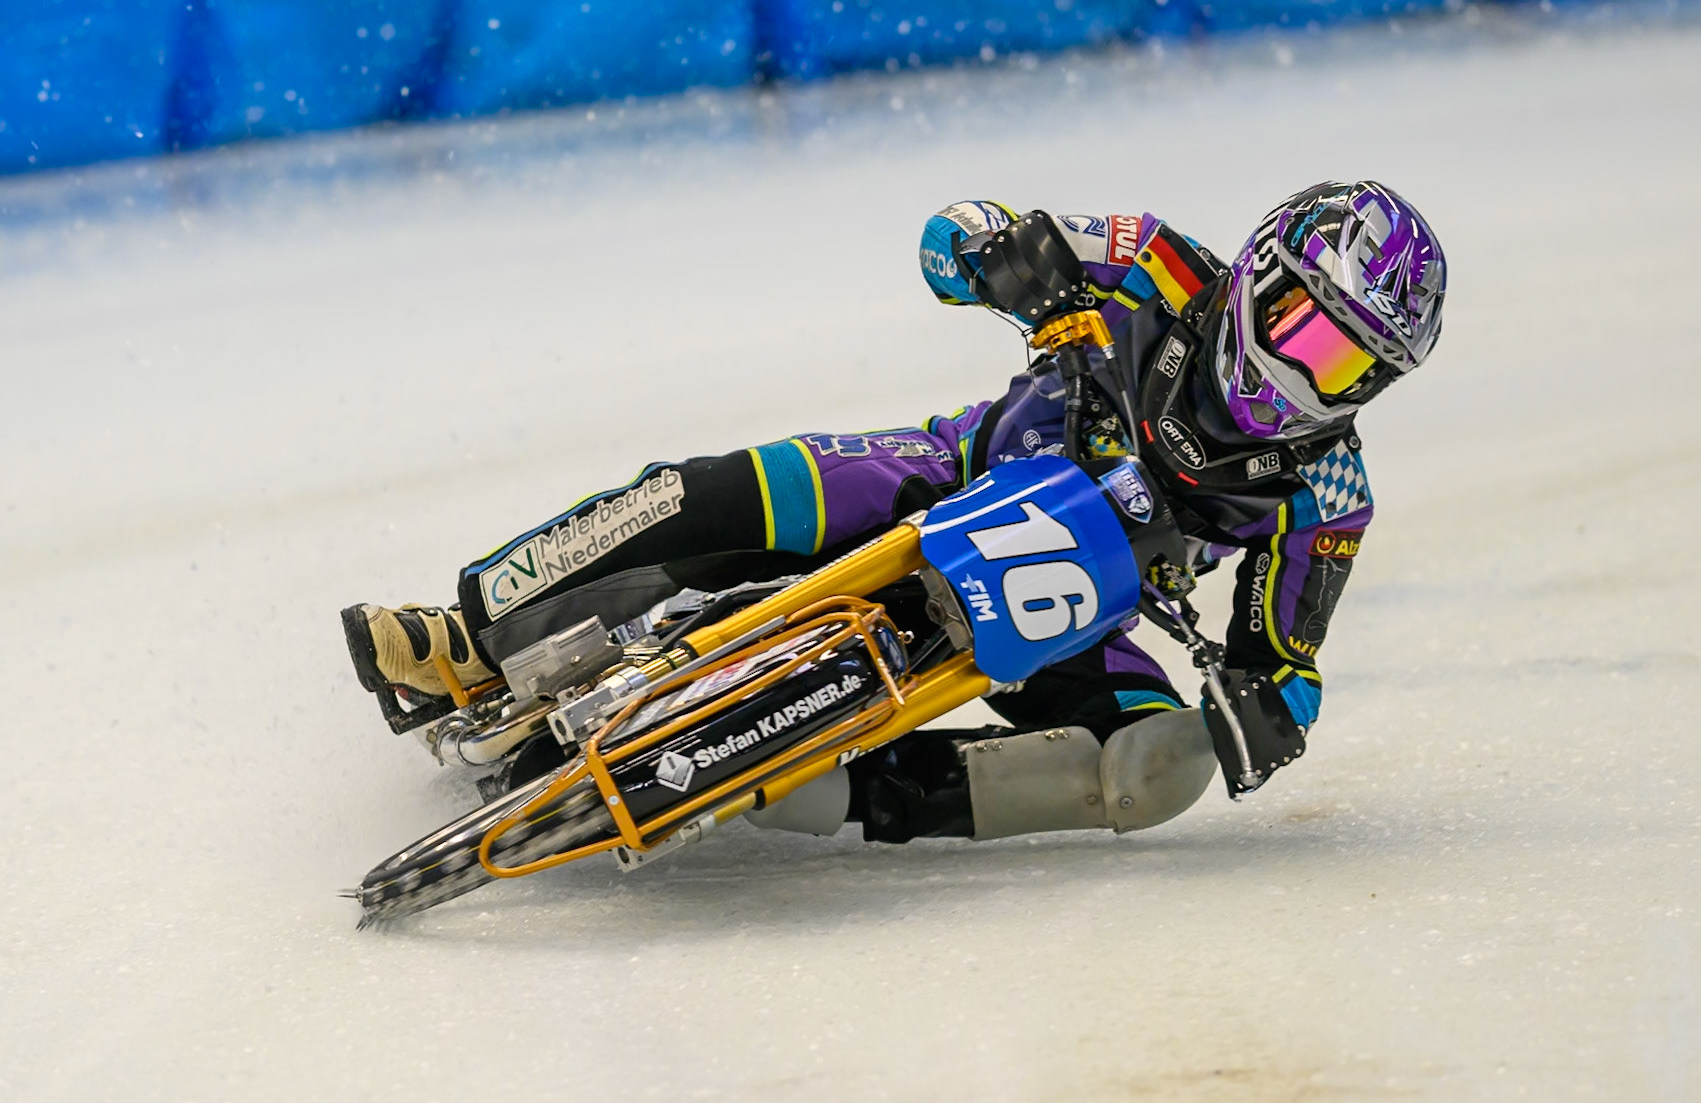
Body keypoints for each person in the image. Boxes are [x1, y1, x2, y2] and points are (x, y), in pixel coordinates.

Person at [342, 180, 1446, 843]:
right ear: (1262, 273)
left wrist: (1265, 710)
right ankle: (463, 632)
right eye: (1309, 331)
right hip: (948, 467)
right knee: (699, 492)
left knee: (1157, 767)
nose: (1313, 376)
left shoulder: (1330, 495)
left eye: (1353, 367)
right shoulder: (1156, 259)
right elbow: (954, 233)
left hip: (1081, 610)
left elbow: (1289, 657)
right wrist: (1002, 258)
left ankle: (866, 798)